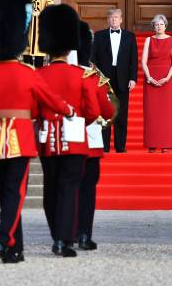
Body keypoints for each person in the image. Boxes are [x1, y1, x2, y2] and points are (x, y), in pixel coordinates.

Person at [0, 0, 73, 263]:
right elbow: (51, 100)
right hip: (21, 139)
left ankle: (15, 248)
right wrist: (68, 110)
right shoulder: (28, 73)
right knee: (16, 194)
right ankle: (3, 238)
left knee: (6, 195)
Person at [37, 4, 101, 257]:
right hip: (74, 138)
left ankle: (57, 233)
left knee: (50, 187)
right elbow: (94, 111)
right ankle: (64, 239)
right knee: (69, 188)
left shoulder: (38, 75)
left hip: (47, 139)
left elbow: (33, 108)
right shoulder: (82, 76)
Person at [76, 20, 117, 251]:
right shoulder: (93, 78)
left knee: (66, 189)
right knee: (87, 190)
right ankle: (84, 234)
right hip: (89, 140)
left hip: (61, 140)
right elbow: (107, 110)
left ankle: (66, 232)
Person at [91, 9, 138, 153]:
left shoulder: (130, 37)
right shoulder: (99, 36)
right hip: (104, 78)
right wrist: (96, 77)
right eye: (111, 18)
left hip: (123, 78)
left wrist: (133, 78)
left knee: (122, 113)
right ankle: (104, 146)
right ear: (108, 20)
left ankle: (120, 146)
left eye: (116, 18)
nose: (114, 20)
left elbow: (133, 60)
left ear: (121, 20)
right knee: (105, 111)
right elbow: (94, 59)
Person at [142, 14, 172, 153]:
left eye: (161, 24)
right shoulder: (148, 40)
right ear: (153, 26)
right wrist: (149, 77)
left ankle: (165, 143)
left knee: (166, 113)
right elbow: (144, 61)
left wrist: (168, 77)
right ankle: (152, 143)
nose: (159, 27)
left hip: (166, 80)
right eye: (156, 24)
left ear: (165, 25)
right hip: (150, 79)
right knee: (151, 113)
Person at [23, 0, 54, 67]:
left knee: (39, 62)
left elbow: (51, 9)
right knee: (26, 63)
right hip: (27, 31)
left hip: (39, 31)